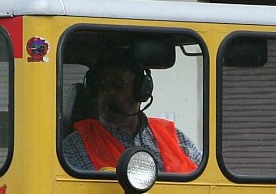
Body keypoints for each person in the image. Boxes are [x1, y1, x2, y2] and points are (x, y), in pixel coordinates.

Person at [61, 54, 201, 173]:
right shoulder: (75, 146)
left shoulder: (171, 135)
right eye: (102, 86)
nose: (108, 93)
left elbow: (205, 173)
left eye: (117, 85)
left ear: (140, 90)